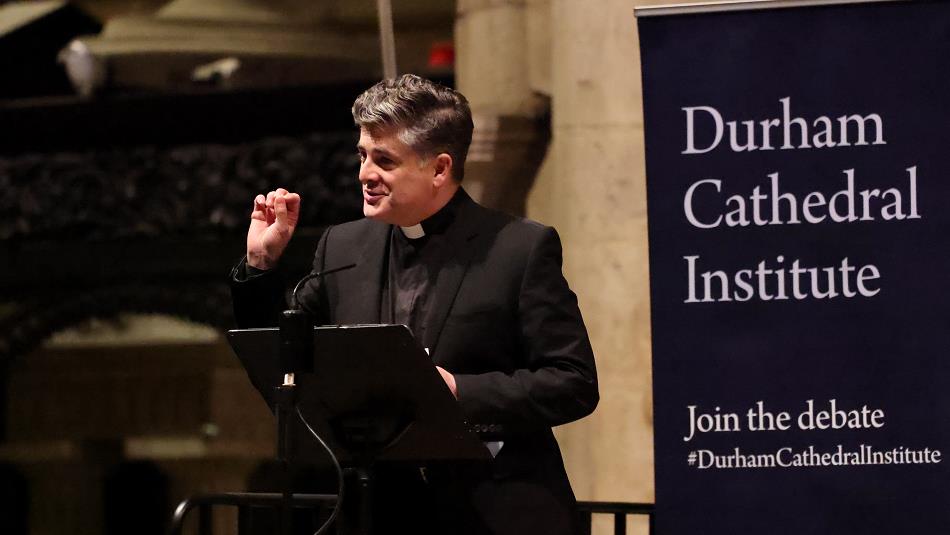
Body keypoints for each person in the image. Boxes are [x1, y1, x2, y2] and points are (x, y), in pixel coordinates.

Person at [230, 74, 598, 535]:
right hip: (380, 512)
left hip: (493, 512)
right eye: (363, 155)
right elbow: (286, 360)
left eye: (384, 160)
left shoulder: (518, 249)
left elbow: (574, 382)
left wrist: (461, 390)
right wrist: (261, 265)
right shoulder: (343, 247)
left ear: (440, 168)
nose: (365, 173)